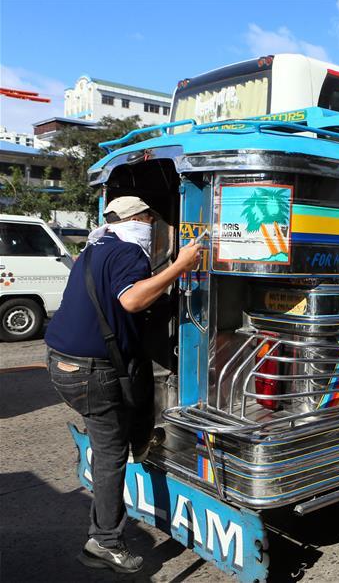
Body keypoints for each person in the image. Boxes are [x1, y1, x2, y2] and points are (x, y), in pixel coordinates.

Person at [45, 196, 200, 574]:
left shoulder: (94, 247)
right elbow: (131, 300)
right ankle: (106, 541)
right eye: (150, 218)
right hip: (90, 371)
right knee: (110, 452)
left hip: (60, 363)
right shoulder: (131, 252)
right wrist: (180, 266)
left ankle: (138, 441)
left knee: (135, 386)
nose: (152, 225)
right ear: (137, 219)